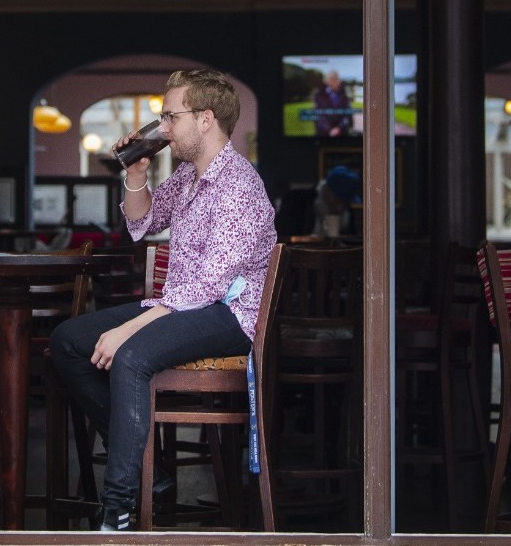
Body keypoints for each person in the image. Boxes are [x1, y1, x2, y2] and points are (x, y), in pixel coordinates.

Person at [49, 69, 277, 531]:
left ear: (206, 119)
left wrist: (128, 329)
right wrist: (136, 171)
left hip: (229, 315)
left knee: (129, 355)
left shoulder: (238, 186)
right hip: (184, 304)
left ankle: (118, 510)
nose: (164, 127)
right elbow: (144, 221)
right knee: (68, 339)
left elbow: (207, 289)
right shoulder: (190, 177)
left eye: (171, 117)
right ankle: (152, 475)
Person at [311, 69, 354, 137]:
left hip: (342, 135)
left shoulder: (344, 96)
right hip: (324, 135)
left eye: (338, 79)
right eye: (336, 79)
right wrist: (329, 130)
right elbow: (317, 115)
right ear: (328, 82)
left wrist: (339, 128)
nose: (339, 82)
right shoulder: (318, 96)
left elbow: (348, 115)